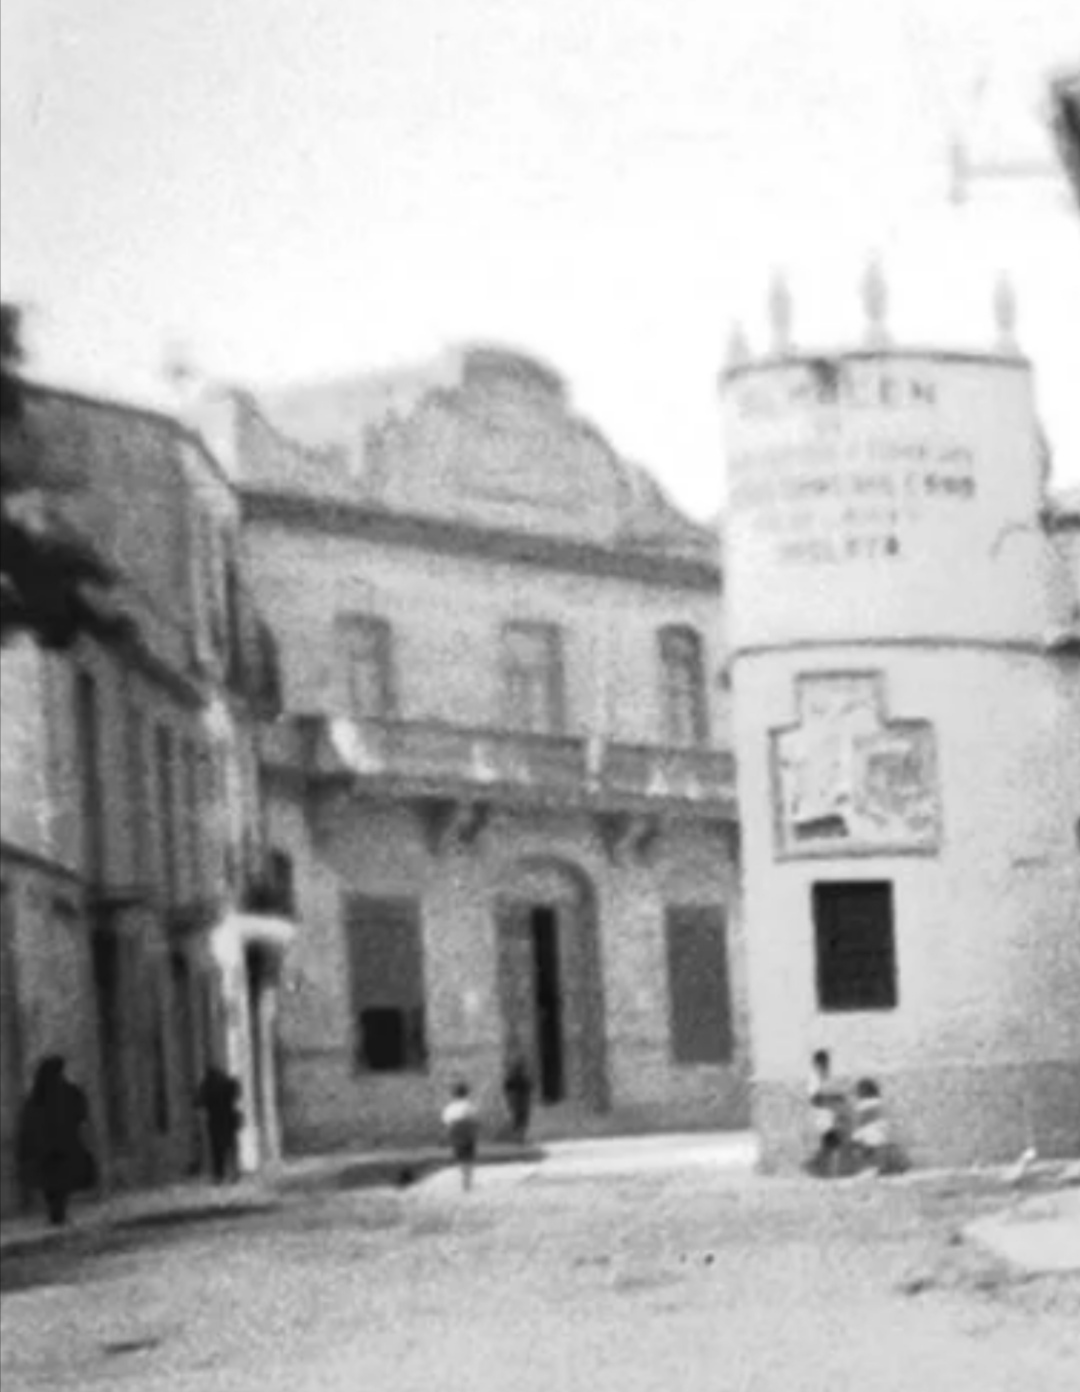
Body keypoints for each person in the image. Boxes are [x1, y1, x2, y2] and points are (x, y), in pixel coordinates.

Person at [17, 1055, 94, 1227]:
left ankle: (56, 1213)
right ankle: (58, 1214)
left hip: (47, 1149)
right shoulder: (68, 1092)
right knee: (60, 1182)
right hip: (61, 1146)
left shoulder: (37, 1096)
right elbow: (81, 1115)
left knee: (53, 1184)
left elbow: (28, 1124)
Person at [197, 1065, 243, 1184]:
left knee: (217, 1150)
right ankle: (234, 1173)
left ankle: (219, 1175)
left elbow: (198, 1102)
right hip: (228, 1120)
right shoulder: (228, 1083)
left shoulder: (207, 1086)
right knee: (231, 1147)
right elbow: (237, 1095)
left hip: (215, 1121)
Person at [807, 1049, 847, 1178]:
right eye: (823, 1063)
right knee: (833, 1144)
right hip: (822, 1118)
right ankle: (822, 1169)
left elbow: (828, 1092)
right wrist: (833, 1099)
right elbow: (815, 1099)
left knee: (829, 1145)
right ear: (817, 1064)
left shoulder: (826, 1076)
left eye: (827, 1063)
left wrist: (837, 1098)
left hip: (830, 1118)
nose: (826, 1066)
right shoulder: (814, 1078)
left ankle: (822, 1169)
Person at [441, 1081, 480, 1192]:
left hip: (455, 1133)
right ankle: (467, 1180)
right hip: (467, 1133)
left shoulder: (449, 1108)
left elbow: (446, 1121)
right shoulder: (469, 1105)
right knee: (469, 1156)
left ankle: (464, 1178)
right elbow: (474, 1119)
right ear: (466, 1093)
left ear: (453, 1095)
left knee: (460, 1155)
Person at [502, 1054, 534, 1145]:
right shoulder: (523, 1077)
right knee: (521, 1120)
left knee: (517, 1120)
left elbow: (506, 1087)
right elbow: (529, 1087)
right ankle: (520, 1138)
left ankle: (518, 1138)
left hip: (516, 1101)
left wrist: (509, 1099)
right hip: (522, 1101)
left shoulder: (513, 1077)